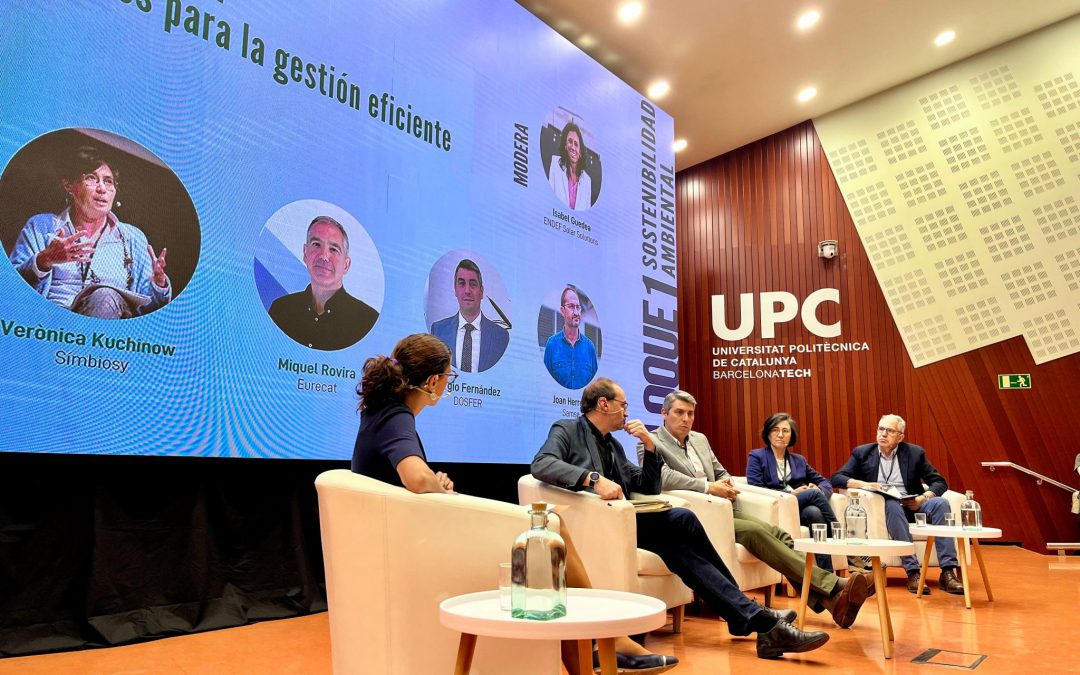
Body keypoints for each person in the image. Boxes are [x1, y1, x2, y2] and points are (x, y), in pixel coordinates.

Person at [351, 336, 675, 675]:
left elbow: (408, 477)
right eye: (450, 376)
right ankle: (610, 641)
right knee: (550, 526)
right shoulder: (396, 416)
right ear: (433, 382)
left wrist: (436, 483)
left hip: (414, 533)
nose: (449, 383)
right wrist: (438, 488)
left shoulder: (381, 412)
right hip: (421, 540)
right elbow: (416, 479)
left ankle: (598, 648)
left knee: (549, 535)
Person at [531, 377, 831, 659]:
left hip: (624, 520)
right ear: (603, 405)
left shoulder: (612, 443)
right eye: (623, 404)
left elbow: (645, 485)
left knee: (683, 539)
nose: (626, 411)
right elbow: (542, 464)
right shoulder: (567, 429)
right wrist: (592, 479)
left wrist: (650, 447)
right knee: (682, 526)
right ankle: (754, 616)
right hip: (597, 523)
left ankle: (754, 620)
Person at [643, 392, 872, 629]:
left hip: (726, 507)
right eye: (679, 412)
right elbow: (662, 477)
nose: (686, 419)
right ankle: (834, 586)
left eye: (690, 413)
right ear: (664, 413)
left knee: (778, 533)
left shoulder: (699, 439)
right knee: (756, 533)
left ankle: (831, 600)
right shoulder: (651, 441)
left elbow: (720, 470)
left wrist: (726, 484)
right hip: (700, 513)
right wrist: (708, 487)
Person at [9, 145, 171, 318]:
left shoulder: (133, 238)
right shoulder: (41, 227)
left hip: (102, 334)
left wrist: (159, 286)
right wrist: (44, 260)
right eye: (91, 178)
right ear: (69, 185)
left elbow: (150, 309)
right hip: (49, 324)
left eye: (108, 181)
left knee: (104, 296)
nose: (102, 188)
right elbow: (9, 287)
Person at [830, 414, 965, 595]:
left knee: (941, 503)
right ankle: (913, 572)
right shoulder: (862, 453)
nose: (883, 434)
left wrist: (922, 499)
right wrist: (865, 485)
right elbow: (837, 478)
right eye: (881, 429)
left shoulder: (915, 453)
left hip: (914, 505)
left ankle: (947, 572)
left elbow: (939, 482)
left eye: (890, 431)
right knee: (892, 504)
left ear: (900, 437)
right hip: (889, 508)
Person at [268, 216, 378, 351]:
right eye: (316, 244)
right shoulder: (280, 310)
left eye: (334, 249)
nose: (324, 256)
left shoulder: (367, 321)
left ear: (346, 265)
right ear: (305, 253)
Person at [747, 413, 840, 571]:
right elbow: (756, 489)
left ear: (792, 435)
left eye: (786, 431)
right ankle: (840, 537)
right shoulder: (757, 456)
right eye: (776, 430)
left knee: (814, 513)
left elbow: (825, 482)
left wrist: (820, 489)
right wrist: (791, 495)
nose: (781, 435)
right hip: (776, 506)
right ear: (768, 432)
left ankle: (828, 576)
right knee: (813, 494)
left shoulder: (799, 460)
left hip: (798, 510)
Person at [429, 259, 509, 373]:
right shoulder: (438, 331)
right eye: (461, 283)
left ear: (481, 292)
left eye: (473, 284)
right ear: (455, 290)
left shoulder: (500, 336)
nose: (467, 291)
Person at [543, 285, 598, 389]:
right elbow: (546, 385)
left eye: (578, 307)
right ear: (562, 311)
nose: (576, 312)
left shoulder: (589, 347)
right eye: (571, 306)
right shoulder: (552, 344)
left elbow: (595, 389)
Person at [547, 121, 593, 211]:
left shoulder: (587, 181)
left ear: (580, 152)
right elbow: (549, 198)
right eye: (570, 141)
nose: (573, 147)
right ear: (565, 145)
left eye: (576, 144)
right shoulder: (555, 163)